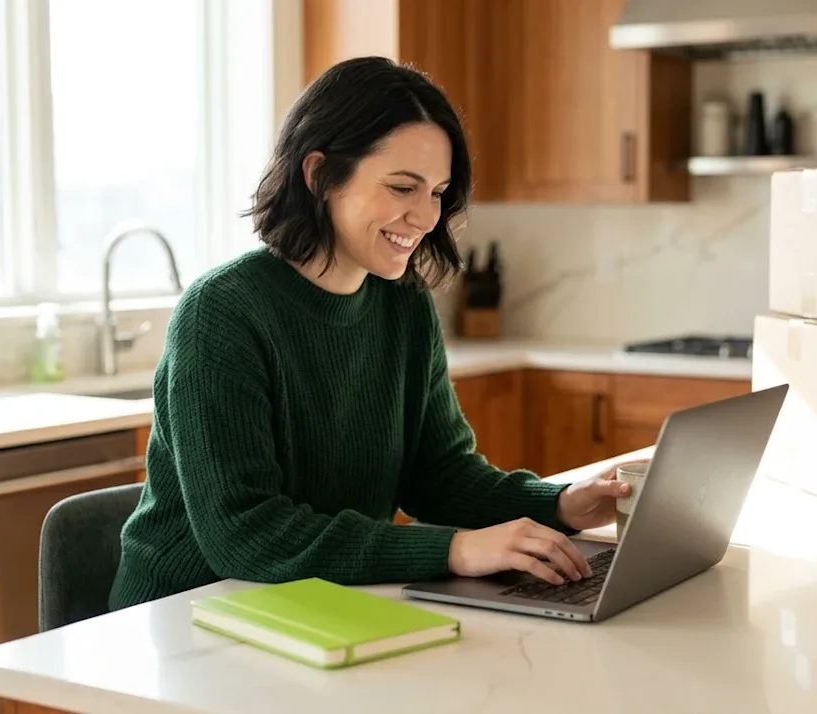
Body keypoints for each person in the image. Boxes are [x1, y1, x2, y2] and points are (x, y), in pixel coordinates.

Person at [107, 56, 632, 611]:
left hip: (313, 605)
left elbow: (438, 475)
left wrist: (562, 504)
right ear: (319, 176)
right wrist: (455, 550)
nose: (426, 217)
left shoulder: (402, 304)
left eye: (437, 192)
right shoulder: (222, 313)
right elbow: (247, 532)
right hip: (186, 616)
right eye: (403, 187)